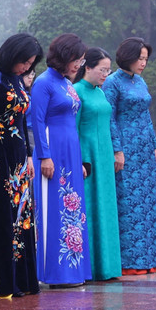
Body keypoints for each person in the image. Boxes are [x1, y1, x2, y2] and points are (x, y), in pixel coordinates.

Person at [0, 33, 41, 299]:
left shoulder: (16, 80)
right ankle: (5, 282)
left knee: (23, 217)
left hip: (18, 157)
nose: (26, 68)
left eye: (31, 64)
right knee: (4, 217)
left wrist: (28, 156)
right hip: (0, 156)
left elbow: (22, 122)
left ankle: (23, 279)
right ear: (12, 55)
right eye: (24, 62)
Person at [30, 33, 91, 287]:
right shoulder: (43, 82)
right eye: (76, 59)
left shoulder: (66, 83)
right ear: (64, 57)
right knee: (53, 210)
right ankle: (55, 273)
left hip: (70, 151)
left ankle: (74, 270)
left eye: (82, 60)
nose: (80, 64)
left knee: (73, 210)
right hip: (52, 152)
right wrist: (45, 156)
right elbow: (36, 121)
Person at [104, 37, 156, 275]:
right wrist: (117, 149)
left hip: (144, 151)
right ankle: (130, 263)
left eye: (146, 59)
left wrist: (155, 145)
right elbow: (109, 118)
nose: (143, 63)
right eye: (140, 58)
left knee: (148, 205)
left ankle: (151, 260)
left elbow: (146, 116)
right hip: (126, 151)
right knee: (129, 204)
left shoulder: (140, 82)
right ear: (127, 56)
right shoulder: (112, 82)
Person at [73, 47, 122, 280]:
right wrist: (79, 160)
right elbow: (72, 129)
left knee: (106, 208)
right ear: (87, 67)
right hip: (88, 157)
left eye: (108, 70)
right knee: (90, 208)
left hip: (105, 157)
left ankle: (108, 266)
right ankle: (90, 267)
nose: (106, 74)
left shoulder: (100, 92)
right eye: (102, 70)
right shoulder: (76, 92)